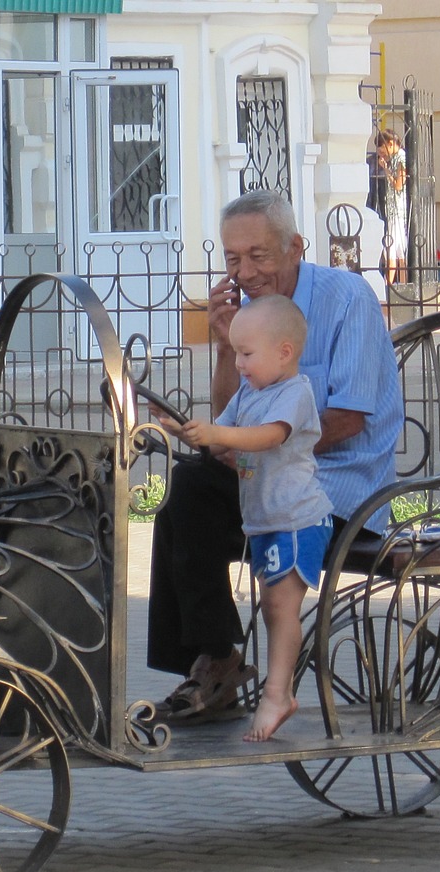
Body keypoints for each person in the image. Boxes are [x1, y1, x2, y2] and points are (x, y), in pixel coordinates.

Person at [146, 189, 402, 725]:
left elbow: (350, 419)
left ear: (295, 248)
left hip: (337, 490)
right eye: (233, 258)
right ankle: (216, 659)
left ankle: (216, 662)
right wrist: (223, 348)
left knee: (194, 490)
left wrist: (244, 446)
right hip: (274, 479)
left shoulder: (346, 298)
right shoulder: (256, 315)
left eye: (259, 256)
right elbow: (231, 416)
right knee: (183, 496)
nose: (246, 272)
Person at [161, 294, 334, 741]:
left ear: (284, 352)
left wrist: (218, 431)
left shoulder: (295, 394)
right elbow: (218, 445)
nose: (238, 363)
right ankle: (275, 689)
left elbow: (264, 438)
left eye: (246, 353)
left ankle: (278, 693)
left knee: (280, 608)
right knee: (272, 606)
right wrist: (177, 429)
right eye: (235, 352)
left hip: (297, 520)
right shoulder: (251, 392)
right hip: (265, 520)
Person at [375, 129, 408, 286]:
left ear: (390, 144)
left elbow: (398, 185)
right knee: (399, 248)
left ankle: (388, 285)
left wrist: (386, 169)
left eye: (383, 149)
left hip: (397, 209)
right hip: (395, 209)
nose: (382, 154)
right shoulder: (397, 158)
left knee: (391, 246)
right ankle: (402, 283)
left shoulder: (400, 158)